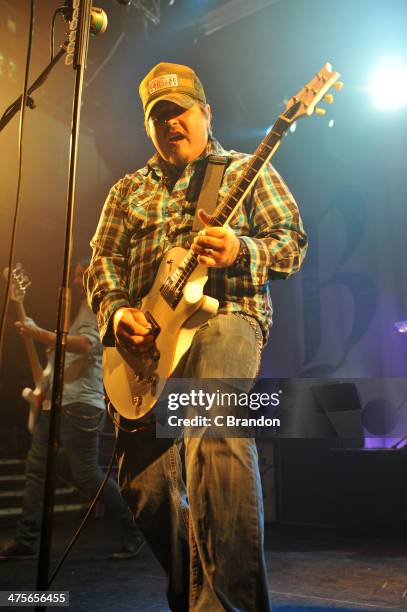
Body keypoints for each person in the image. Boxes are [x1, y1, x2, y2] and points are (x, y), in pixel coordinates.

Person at [85, 62, 308, 611]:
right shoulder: (126, 191)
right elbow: (101, 264)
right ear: (147, 128)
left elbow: (290, 244)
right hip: (144, 351)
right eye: (157, 118)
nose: (170, 125)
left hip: (224, 316)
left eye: (179, 112)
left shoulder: (244, 171)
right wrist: (117, 314)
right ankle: (196, 597)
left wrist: (240, 250)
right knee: (145, 489)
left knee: (213, 426)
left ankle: (228, 604)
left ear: (205, 113)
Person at [0, 259, 143, 562]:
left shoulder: (94, 308)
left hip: (80, 405)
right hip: (56, 404)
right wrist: (37, 338)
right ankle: (26, 539)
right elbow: (49, 371)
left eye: (82, 276)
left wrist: (40, 334)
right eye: (76, 276)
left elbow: (87, 346)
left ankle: (134, 525)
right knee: (37, 471)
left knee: (87, 476)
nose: (78, 281)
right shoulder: (73, 314)